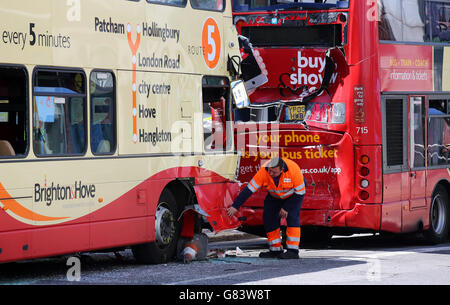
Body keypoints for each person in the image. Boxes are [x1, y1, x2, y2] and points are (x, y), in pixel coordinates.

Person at [227, 157, 305, 259]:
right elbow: (249, 190)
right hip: (274, 196)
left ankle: (293, 251)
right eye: (270, 171)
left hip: (293, 197)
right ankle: (275, 250)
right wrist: (235, 206)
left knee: (292, 217)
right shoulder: (264, 171)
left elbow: (300, 193)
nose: (271, 174)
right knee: (269, 218)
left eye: (274, 172)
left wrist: (287, 207)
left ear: (282, 170)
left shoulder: (293, 170)